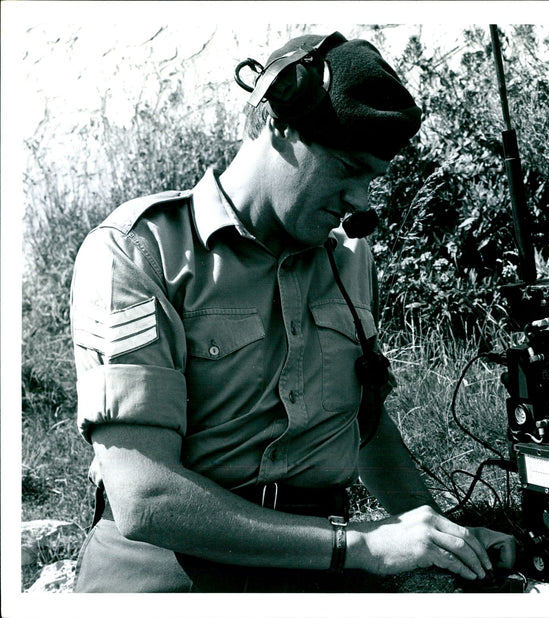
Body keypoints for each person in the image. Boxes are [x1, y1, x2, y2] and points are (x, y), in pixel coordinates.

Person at [69, 31, 516, 593]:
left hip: (320, 562)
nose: (361, 202)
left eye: (371, 180)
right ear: (279, 123)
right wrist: (363, 546)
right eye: (346, 169)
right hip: (168, 570)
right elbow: (146, 498)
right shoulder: (140, 251)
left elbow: (364, 423)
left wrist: (451, 542)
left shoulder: (349, 257)